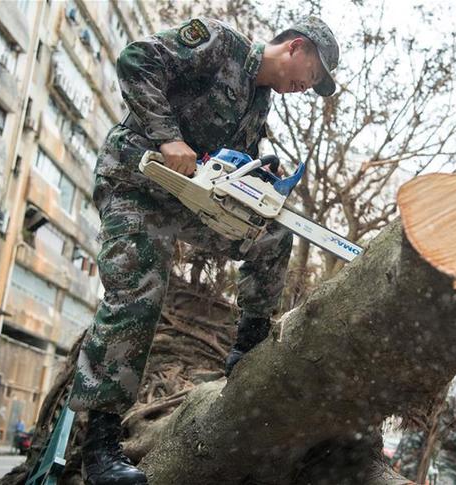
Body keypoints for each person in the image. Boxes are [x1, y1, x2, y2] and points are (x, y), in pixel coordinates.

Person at [68, 16, 340, 485]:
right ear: (296, 48)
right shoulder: (220, 44)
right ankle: (101, 445)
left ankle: (248, 346)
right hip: (136, 181)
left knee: (273, 234)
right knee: (138, 293)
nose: (304, 86)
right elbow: (136, 60)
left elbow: (228, 162)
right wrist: (168, 135)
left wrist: (258, 176)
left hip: (190, 196)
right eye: (311, 75)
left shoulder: (259, 105)